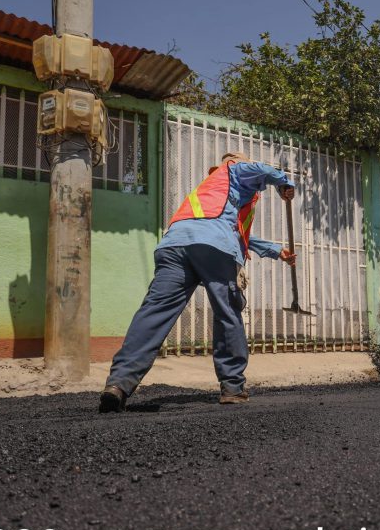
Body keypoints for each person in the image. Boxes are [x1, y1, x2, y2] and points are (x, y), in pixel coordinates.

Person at [99, 152, 297, 413]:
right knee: (227, 312)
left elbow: (232, 230)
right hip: (212, 248)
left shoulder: (210, 192)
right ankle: (232, 388)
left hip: (173, 246)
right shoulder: (234, 169)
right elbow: (262, 169)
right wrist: (284, 182)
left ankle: (118, 385)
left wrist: (275, 250)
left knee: (154, 312)